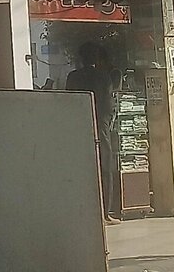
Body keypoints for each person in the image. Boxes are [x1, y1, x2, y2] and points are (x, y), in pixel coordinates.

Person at [66, 41, 120, 223]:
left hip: (80, 129)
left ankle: (84, 212)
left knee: (82, 170)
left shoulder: (73, 77)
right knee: (105, 168)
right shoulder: (104, 77)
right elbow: (108, 105)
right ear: (96, 58)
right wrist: (105, 123)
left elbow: (69, 103)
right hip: (100, 126)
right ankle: (104, 213)